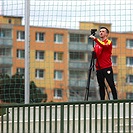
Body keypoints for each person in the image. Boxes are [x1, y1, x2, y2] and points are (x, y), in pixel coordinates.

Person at [89, 26, 118, 100]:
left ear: (107, 34)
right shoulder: (97, 45)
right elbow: (96, 57)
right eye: (100, 31)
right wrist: (93, 54)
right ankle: (102, 101)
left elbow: (104, 45)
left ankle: (115, 100)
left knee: (111, 84)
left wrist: (95, 39)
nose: (101, 32)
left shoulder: (108, 42)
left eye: (103, 31)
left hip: (106, 67)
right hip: (99, 68)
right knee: (101, 85)